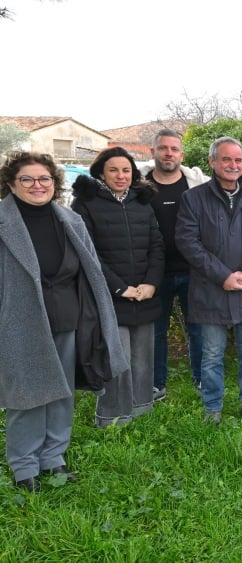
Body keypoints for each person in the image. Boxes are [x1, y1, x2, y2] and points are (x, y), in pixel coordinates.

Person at [1, 151, 127, 491]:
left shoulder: (69, 220)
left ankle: (53, 457)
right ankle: (24, 465)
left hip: (69, 318)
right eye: (27, 179)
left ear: (54, 183)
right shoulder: (3, 222)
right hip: (19, 323)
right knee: (27, 394)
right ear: (11, 184)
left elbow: (91, 273)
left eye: (44, 178)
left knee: (62, 392)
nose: (37, 185)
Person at [176, 137, 242, 427]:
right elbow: (188, 242)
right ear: (212, 162)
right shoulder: (193, 199)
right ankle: (212, 408)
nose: (233, 165)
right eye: (226, 159)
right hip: (210, 290)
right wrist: (222, 275)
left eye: (238, 160)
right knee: (211, 355)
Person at [72, 147, 164, 428]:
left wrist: (151, 283)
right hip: (110, 295)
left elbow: (157, 245)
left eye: (126, 170)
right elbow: (87, 252)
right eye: (113, 170)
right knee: (116, 357)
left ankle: (141, 408)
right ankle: (113, 416)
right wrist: (120, 288)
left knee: (143, 355)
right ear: (101, 173)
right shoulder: (85, 204)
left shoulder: (142, 201)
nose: (120, 176)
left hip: (144, 293)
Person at [142, 128, 209, 398]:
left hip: (193, 270)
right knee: (156, 331)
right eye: (163, 148)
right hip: (153, 273)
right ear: (153, 152)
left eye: (174, 149)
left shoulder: (197, 184)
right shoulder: (139, 185)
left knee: (198, 329)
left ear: (182, 154)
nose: (168, 153)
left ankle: (202, 379)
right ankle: (157, 383)